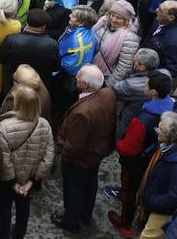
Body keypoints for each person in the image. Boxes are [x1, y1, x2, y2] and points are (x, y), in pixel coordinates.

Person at [53, 65, 116, 232]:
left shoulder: (82, 112)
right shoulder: (108, 94)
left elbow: (74, 146)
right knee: (90, 185)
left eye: (78, 78)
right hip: (98, 151)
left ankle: (71, 221)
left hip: (80, 158)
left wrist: (64, 155)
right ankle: (85, 215)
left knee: (73, 189)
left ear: (86, 85)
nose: (76, 79)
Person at [0, 85, 54, 239]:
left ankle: (2, 234)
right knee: (23, 206)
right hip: (28, 177)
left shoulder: (4, 127)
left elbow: (4, 160)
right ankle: (19, 233)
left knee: (5, 206)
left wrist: (13, 182)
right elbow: (49, 158)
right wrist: (31, 182)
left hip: (8, 180)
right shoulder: (45, 125)